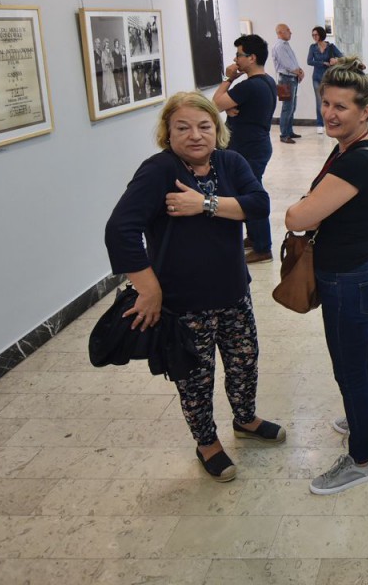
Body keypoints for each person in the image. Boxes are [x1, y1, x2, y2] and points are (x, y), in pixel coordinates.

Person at [105, 92, 283, 482]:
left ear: (217, 130)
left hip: (233, 292)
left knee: (244, 363)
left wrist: (205, 204)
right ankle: (207, 443)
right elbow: (120, 230)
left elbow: (258, 205)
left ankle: (245, 419)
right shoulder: (158, 171)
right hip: (184, 303)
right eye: (183, 127)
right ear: (167, 132)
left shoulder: (230, 162)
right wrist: (148, 289)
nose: (195, 135)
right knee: (195, 378)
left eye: (204, 126)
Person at [284, 58, 368, 495]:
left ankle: (361, 459)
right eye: (325, 103)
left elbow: (297, 218)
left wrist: (301, 205)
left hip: (346, 279)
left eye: (341, 106)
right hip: (358, 271)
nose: (329, 113)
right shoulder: (348, 148)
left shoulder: (357, 161)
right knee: (362, 354)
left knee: (349, 371)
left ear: (365, 111)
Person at [213, 35, 278, 264]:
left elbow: (215, 104)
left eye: (239, 55)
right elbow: (228, 106)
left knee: (251, 196)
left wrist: (228, 78)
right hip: (256, 145)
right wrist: (230, 108)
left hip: (249, 148)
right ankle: (255, 237)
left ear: (252, 58)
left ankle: (263, 247)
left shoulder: (249, 86)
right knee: (247, 192)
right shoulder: (267, 81)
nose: (235, 60)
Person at [270, 24, 305, 144]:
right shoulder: (280, 46)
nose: (291, 32)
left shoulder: (285, 44)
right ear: (280, 32)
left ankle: (289, 132)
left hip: (290, 78)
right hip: (285, 79)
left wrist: (299, 71)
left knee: (292, 107)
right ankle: (284, 135)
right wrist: (299, 72)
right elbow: (287, 64)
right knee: (287, 108)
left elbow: (293, 62)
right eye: (288, 30)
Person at [308, 25, 343, 135]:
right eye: (313, 35)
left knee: (331, 101)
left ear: (321, 35)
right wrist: (322, 63)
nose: (314, 37)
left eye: (316, 35)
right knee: (319, 101)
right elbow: (309, 61)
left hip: (329, 78)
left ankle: (331, 121)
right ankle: (320, 124)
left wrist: (335, 60)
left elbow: (342, 56)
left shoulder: (330, 47)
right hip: (317, 78)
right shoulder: (313, 47)